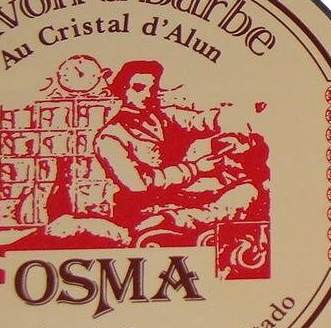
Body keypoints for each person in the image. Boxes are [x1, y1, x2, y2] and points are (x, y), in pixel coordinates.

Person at [94, 60, 260, 233]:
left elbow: (199, 120)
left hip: (180, 195)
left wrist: (232, 124)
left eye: (153, 89)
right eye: (139, 88)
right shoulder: (109, 137)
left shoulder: (162, 116)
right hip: (144, 207)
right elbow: (138, 184)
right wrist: (195, 168)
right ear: (122, 90)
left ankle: (175, 220)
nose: (148, 95)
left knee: (247, 190)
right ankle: (171, 221)